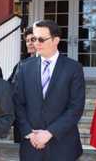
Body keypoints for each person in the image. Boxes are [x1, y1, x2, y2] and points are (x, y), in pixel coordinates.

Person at [14, 20, 85, 161]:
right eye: (34, 39)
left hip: (63, 146)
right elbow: (17, 103)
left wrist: (50, 133)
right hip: (31, 146)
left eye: (41, 39)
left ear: (56, 40)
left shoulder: (73, 68)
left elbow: (75, 108)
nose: (36, 43)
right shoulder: (24, 68)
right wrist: (30, 133)